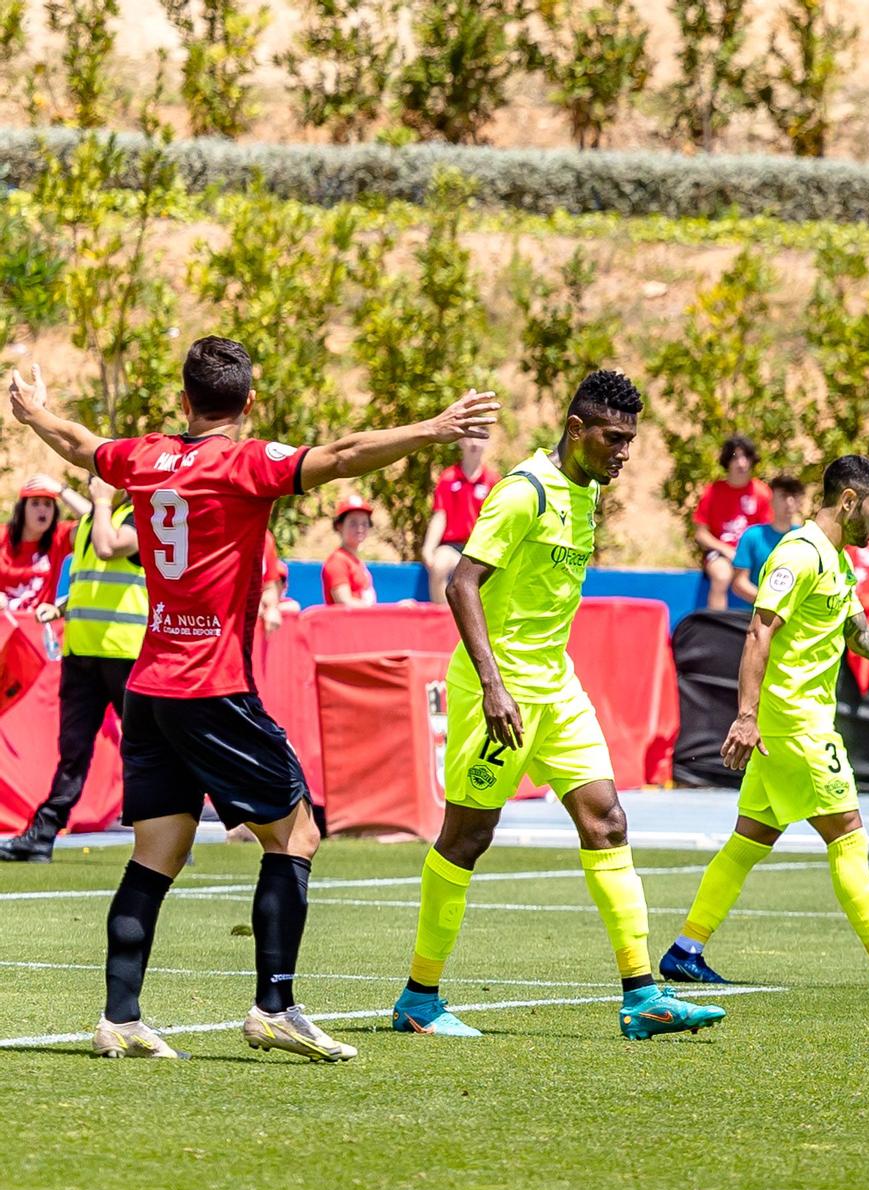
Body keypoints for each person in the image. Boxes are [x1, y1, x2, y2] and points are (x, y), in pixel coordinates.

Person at [9, 337, 498, 1061]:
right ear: (248, 403)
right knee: (297, 835)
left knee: (156, 853)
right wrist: (430, 430)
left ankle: (120, 1014)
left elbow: (79, 444)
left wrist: (31, 410)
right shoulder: (245, 463)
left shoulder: (145, 456)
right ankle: (274, 1005)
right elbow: (342, 454)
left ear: (184, 400)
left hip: (149, 687)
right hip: (213, 688)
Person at [389, 370, 723, 1041]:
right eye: (613, 436)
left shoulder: (586, 491)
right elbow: (462, 583)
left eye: (630, 438)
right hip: (501, 693)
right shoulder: (524, 491)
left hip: (557, 688)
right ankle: (419, 998)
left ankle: (642, 995)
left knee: (608, 820)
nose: (623, 450)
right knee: (467, 837)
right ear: (577, 429)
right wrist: (490, 682)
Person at [659, 455, 869, 988]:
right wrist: (745, 716)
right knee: (848, 835)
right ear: (848, 501)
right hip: (797, 725)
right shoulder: (801, 554)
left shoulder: (835, 558)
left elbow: (862, 636)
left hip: (786, 727)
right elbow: (759, 630)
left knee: (748, 841)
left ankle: (685, 949)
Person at [0, 477, 143, 864]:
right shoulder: (93, 522)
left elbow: (108, 546)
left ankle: (166, 828)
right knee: (73, 750)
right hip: (81, 654)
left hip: (125, 654)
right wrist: (60, 607)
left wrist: (89, 498)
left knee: (147, 746)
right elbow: (89, 578)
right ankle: (42, 835)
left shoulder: (141, 519)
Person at [693, 434, 771, 611]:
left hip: (753, 556)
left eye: (746, 457)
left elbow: (768, 531)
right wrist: (726, 550)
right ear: (727, 461)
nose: (741, 463)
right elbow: (701, 534)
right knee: (722, 575)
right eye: (736, 457)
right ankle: (718, 631)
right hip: (721, 554)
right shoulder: (713, 491)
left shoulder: (762, 492)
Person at [421, 437, 497, 605]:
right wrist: (428, 548)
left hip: (478, 549)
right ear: (461, 441)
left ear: (488, 443)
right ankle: (445, 619)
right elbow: (440, 515)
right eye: (471, 437)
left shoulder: (493, 480)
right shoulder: (448, 477)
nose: (475, 443)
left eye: (481, 438)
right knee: (438, 567)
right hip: (452, 547)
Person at [1, 474, 82, 611]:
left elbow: (95, 520)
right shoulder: (2, 535)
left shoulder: (60, 537)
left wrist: (62, 490)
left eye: (48, 504)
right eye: (35, 503)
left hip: (38, 629)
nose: (42, 509)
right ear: (22, 510)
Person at [729, 474, 805, 601]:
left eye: (794, 496)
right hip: (752, 615)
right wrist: (769, 603)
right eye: (784, 496)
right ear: (771, 499)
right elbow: (739, 583)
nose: (789, 502)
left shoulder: (805, 537)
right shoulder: (752, 535)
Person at [322, 494, 378, 607]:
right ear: (339, 526)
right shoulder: (337, 561)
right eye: (353, 523)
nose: (360, 528)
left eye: (364, 523)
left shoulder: (355, 561)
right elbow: (344, 602)